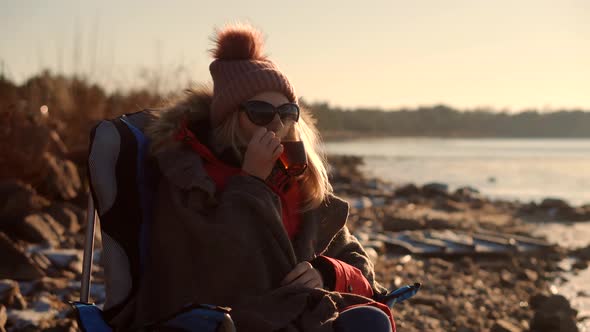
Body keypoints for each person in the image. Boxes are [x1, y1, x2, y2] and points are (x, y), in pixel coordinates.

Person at [115, 22, 395, 332]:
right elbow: (209, 275)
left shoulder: (295, 179)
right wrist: (250, 184)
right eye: (261, 112)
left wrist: (328, 272)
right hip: (224, 323)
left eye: (288, 112)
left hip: (299, 319)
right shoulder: (190, 178)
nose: (276, 123)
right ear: (230, 120)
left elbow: (359, 266)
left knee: (370, 321)